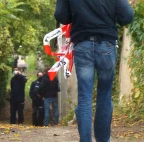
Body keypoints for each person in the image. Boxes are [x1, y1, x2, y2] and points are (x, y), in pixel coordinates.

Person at [54, 0, 134, 142]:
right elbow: (127, 16)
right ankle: (103, 139)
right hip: (106, 45)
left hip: (82, 44)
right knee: (105, 95)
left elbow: (61, 16)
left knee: (85, 97)